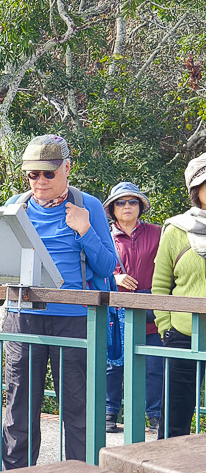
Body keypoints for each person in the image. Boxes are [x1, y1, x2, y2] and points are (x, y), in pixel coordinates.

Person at [1, 135, 117, 470]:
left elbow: (108, 267)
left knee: (78, 409)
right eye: (32, 175)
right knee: (19, 408)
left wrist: (84, 230)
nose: (39, 181)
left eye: (48, 174)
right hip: (24, 318)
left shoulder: (89, 206)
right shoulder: (16, 206)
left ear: (67, 168)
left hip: (74, 319)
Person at [150, 151, 206, 439]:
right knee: (176, 417)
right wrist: (165, 326)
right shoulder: (176, 230)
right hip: (184, 334)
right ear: (196, 190)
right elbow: (160, 284)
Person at [102, 182, 163, 435]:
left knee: (155, 365)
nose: (127, 206)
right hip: (116, 312)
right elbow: (91, 268)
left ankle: (156, 417)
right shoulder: (103, 236)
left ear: (140, 206)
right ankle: (109, 413)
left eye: (132, 201)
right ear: (112, 208)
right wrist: (114, 277)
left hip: (151, 310)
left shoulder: (158, 233)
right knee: (112, 364)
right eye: (120, 202)